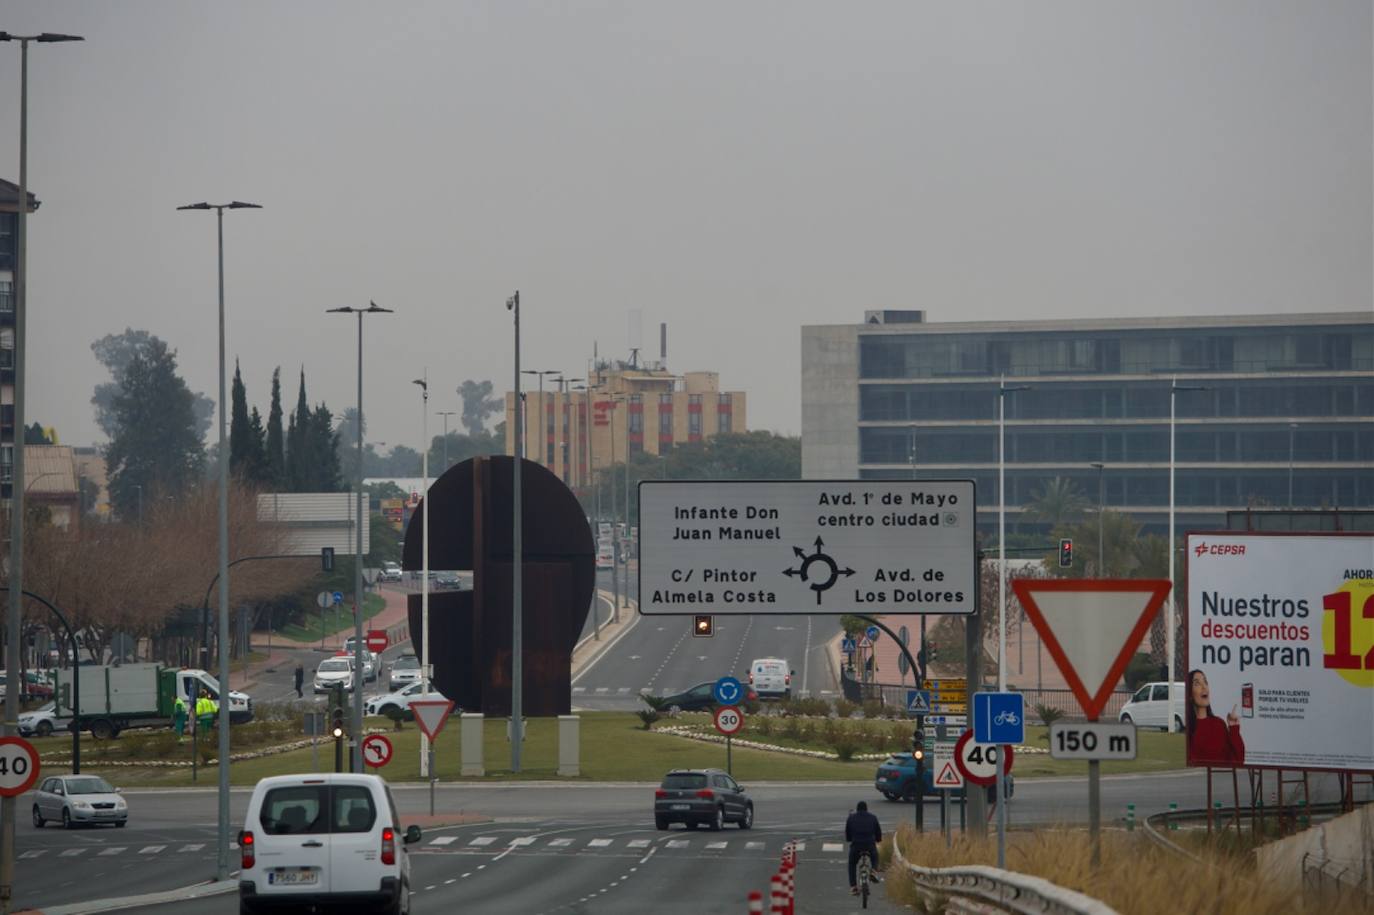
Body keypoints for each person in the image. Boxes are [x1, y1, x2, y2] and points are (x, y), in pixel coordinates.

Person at [1185, 669, 1244, 766]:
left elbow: (1238, 760)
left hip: (1220, 779)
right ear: (1190, 694)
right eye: (1197, 684)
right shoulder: (1189, 728)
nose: (1204, 687)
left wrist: (1234, 729)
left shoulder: (1219, 724)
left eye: (1205, 682)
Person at [845, 800, 883, 896]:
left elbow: (848, 834)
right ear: (866, 809)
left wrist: (850, 839)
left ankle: (853, 887)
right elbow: (878, 833)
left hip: (856, 845)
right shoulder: (873, 818)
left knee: (852, 863)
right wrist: (878, 840)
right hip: (869, 845)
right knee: (875, 856)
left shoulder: (851, 818)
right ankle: (874, 871)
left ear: (857, 809)